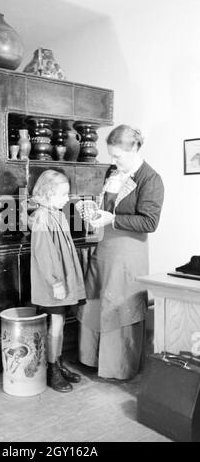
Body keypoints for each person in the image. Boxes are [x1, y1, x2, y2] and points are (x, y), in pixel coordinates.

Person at [77, 124, 164, 381]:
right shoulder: (112, 172)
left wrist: (112, 219)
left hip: (128, 252)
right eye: (111, 155)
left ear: (135, 148)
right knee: (95, 298)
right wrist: (92, 210)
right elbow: (108, 207)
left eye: (118, 156)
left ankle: (118, 366)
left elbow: (150, 223)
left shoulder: (151, 179)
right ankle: (90, 358)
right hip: (104, 248)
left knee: (119, 303)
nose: (113, 161)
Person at [29, 169, 86, 392]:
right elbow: (45, 254)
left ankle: (57, 364)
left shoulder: (58, 214)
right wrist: (56, 282)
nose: (67, 198)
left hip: (61, 280)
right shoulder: (43, 217)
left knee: (59, 327)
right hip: (53, 284)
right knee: (56, 326)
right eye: (63, 194)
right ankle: (52, 370)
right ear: (47, 193)